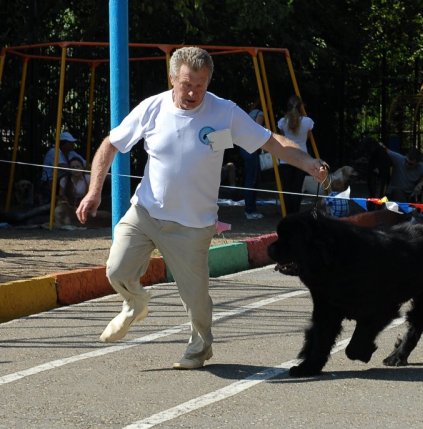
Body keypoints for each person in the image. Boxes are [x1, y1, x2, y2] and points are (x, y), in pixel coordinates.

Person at [75, 47, 329, 370]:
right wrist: (94, 191)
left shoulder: (225, 113)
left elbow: (271, 142)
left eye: (201, 85)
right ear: (172, 79)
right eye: (186, 84)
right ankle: (135, 302)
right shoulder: (152, 108)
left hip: (193, 225)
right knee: (116, 270)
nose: (193, 92)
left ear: (209, 81)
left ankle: (199, 348)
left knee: (196, 301)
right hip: (146, 213)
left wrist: (308, 163)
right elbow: (110, 144)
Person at [277, 95, 315, 214]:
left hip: (286, 158)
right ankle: (295, 214)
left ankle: (288, 214)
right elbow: (308, 137)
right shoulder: (308, 122)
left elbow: (283, 136)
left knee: (287, 189)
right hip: (302, 159)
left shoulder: (282, 122)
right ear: (301, 107)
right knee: (297, 189)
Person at [38, 131, 86, 204]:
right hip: (50, 183)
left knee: (82, 176)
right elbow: (64, 167)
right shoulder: (54, 152)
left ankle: (77, 199)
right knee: (70, 176)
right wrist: (80, 169)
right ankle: (67, 199)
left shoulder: (71, 153)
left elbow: (85, 163)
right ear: (63, 144)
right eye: (70, 142)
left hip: (61, 179)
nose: (73, 144)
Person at [238, 100, 265, 219]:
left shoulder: (249, 114)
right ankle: (250, 210)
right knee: (252, 178)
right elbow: (258, 131)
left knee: (251, 177)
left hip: (244, 147)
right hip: (251, 148)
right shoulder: (259, 113)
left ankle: (250, 209)